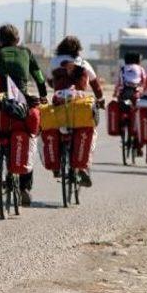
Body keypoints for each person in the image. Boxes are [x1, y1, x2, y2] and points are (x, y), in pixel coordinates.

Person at [0, 23, 48, 206]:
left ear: (0, 40)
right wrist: (43, 95)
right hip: (21, 102)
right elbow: (39, 76)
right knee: (29, 137)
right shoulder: (26, 52)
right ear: (17, 39)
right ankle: (24, 186)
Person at [48, 36, 105, 187]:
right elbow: (95, 85)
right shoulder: (84, 63)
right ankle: (83, 167)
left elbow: (48, 80)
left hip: (59, 102)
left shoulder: (54, 62)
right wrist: (101, 99)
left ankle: (56, 164)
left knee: (52, 128)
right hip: (79, 104)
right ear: (78, 49)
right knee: (89, 132)